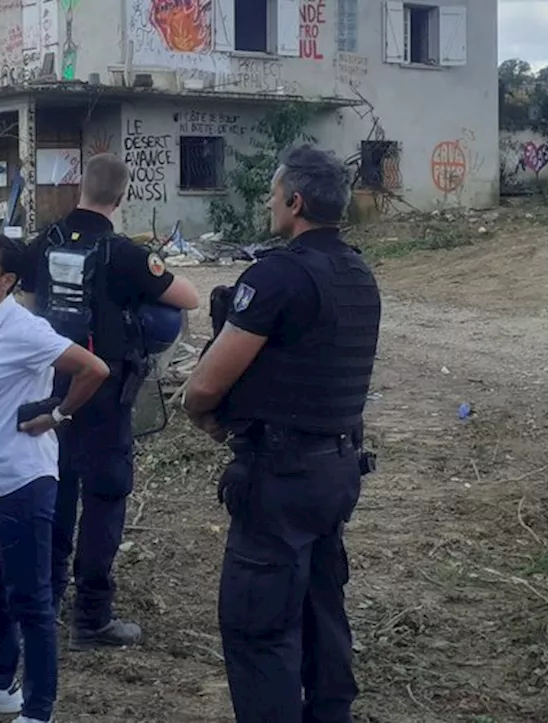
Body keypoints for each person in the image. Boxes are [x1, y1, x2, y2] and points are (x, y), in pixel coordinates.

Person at [181, 144, 381, 723]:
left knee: (259, 629)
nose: (270, 204)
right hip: (337, 470)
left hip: (281, 479)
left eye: (273, 195)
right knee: (322, 614)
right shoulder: (358, 272)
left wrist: (204, 418)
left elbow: (204, 386)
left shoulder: (280, 276)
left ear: (294, 202)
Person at [20, 152, 200, 649]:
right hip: (103, 393)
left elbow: (29, 305)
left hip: (52, 389)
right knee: (104, 500)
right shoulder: (124, 253)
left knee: (55, 491)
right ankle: (92, 617)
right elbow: (187, 298)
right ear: (121, 198)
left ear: (80, 188)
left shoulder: (47, 241)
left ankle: (46, 600)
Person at [0, 232, 110, 723]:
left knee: (32, 600)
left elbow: (93, 369)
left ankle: (39, 709)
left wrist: (58, 414)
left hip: (24, 479)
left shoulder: (25, 330)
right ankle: (1, 684)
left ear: (8, 281)